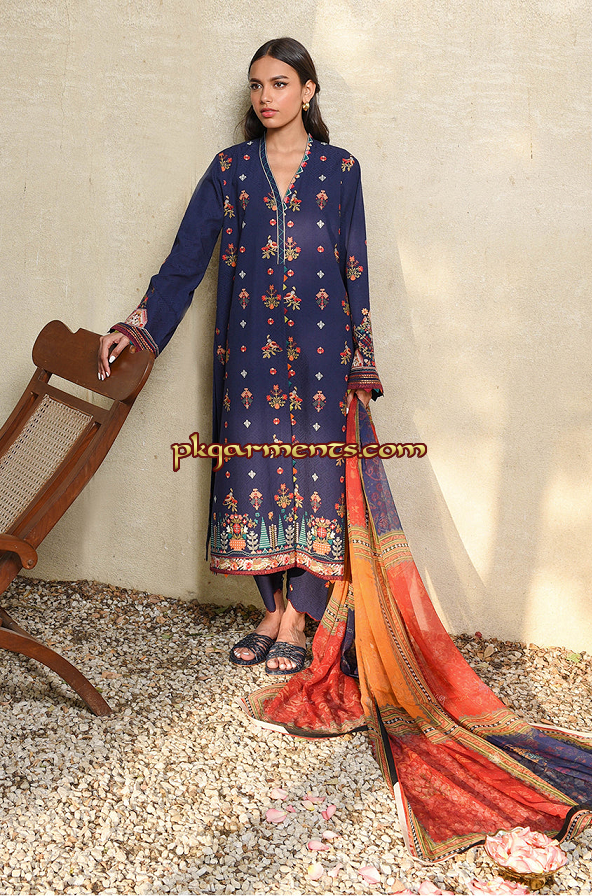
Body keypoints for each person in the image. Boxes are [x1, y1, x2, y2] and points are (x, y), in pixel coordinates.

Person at [97, 37, 383, 674]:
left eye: (279, 84)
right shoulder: (230, 170)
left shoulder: (341, 170)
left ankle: (299, 616)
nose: (265, 97)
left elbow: (355, 267)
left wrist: (361, 358)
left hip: (323, 350)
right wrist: (136, 328)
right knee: (254, 469)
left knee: (317, 477)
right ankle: (271, 611)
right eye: (257, 85)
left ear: (308, 91)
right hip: (249, 349)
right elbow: (186, 259)